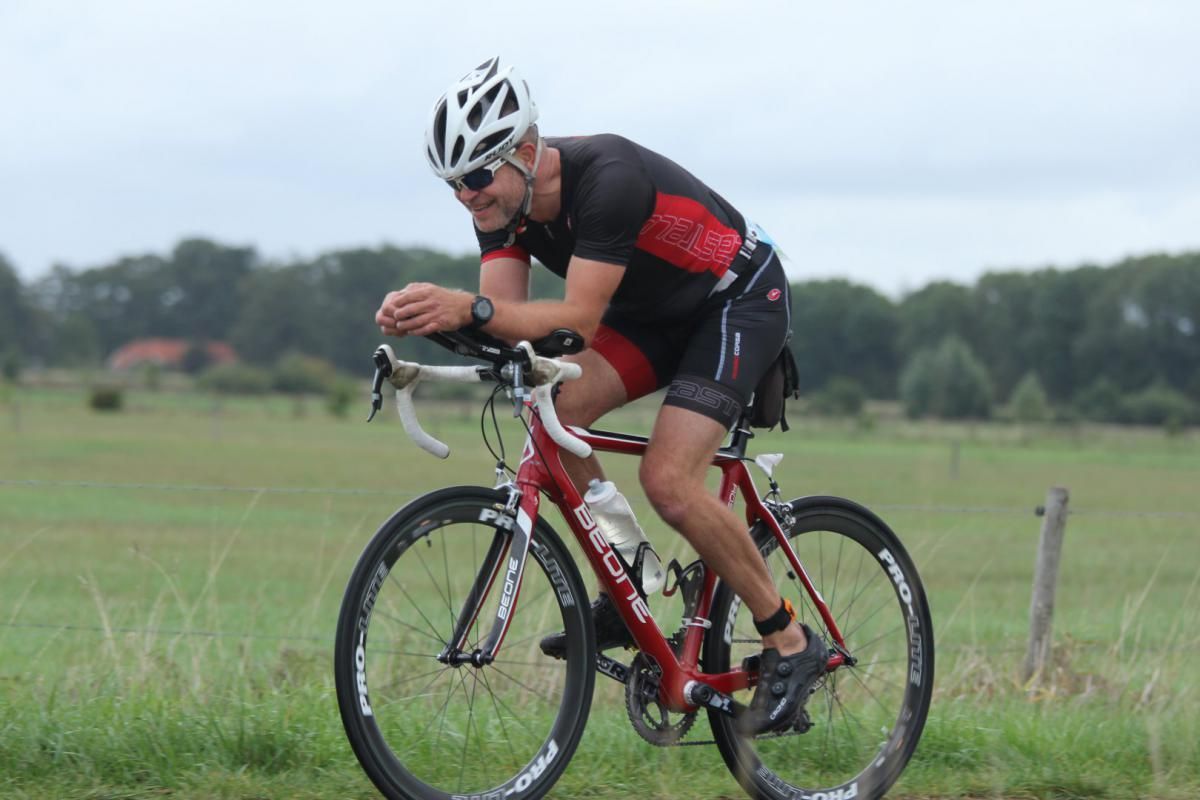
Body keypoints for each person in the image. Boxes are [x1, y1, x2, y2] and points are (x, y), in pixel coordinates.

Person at [375, 57, 826, 735]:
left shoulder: (607, 178)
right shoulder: (500, 204)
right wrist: (437, 324)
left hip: (734, 300)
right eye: (453, 185)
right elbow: (508, 323)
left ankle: (789, 638)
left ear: (525, 152)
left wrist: (465, 308)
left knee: (670, 481)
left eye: (474, 177)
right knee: (551, 408)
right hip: (649, 313)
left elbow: (576, 321)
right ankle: (631, 580)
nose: (467, 198)